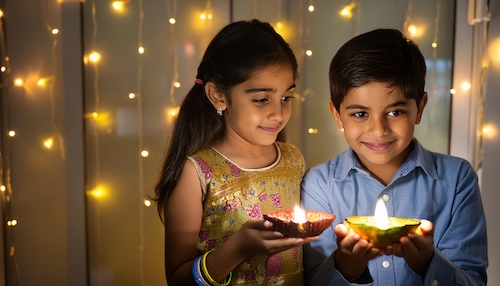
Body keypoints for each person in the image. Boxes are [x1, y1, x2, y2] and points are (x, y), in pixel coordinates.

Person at [301, 28, 488, 285]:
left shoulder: (457, 180)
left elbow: (474, 280)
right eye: (360, 114)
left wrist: (427, 263)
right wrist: (346, 267)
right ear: (336, 114)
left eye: (395, 112)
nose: (378, 130)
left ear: (419, 109)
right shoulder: (319, 185)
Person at [154, 19, 315, 285]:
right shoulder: (196, 173)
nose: (278, 113)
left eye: (286, 98)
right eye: (262, 99)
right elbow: (177, 280)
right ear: (218, 96)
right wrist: (239, 246)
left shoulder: (293, 159)